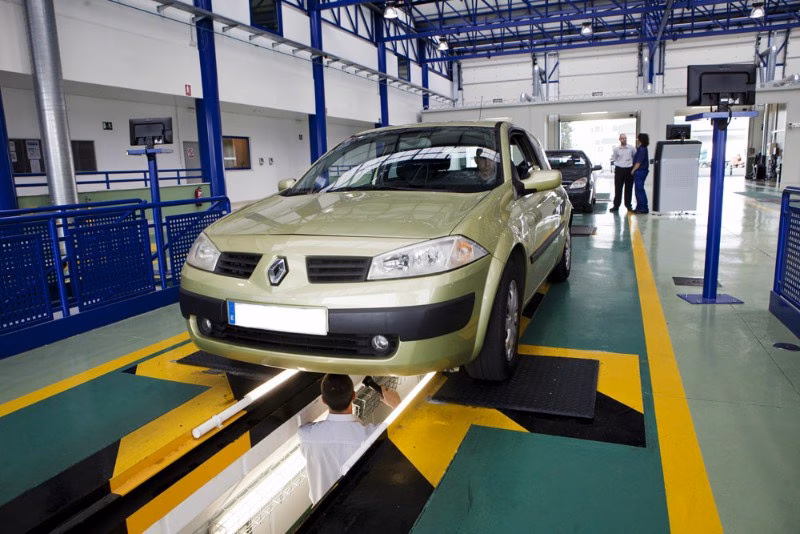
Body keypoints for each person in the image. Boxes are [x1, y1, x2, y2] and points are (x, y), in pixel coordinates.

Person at [298, 374, 401, 504]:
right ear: (354, 396)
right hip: (354, 513)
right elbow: (405, 425)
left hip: (320, 515)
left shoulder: (307, 435)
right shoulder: (371, 436)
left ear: (323, 400)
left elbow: (306, 430)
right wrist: (396, 403)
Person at [609, 133, 636, 212]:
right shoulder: (616, 149)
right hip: (619, 170)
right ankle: (616, 206)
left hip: (629, 169)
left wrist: (633, 168)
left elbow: (635, 157)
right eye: (623, 138)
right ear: (620, 139)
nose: (624, 140)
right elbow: (614, 158)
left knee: (629, 188)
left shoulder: (631, 148)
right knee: (618, 189)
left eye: (625, 138)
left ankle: (628, 205)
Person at [631, 133, 650, 214]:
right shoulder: (642, 148)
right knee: (638, 189)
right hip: (641, 171)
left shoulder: (642, 149)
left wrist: (633, 170)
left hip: (640, 171)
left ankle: (643, 208)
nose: (637, 140)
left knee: (639, 189)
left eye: (638, 138)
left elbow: (639, 162)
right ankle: (639, 207)